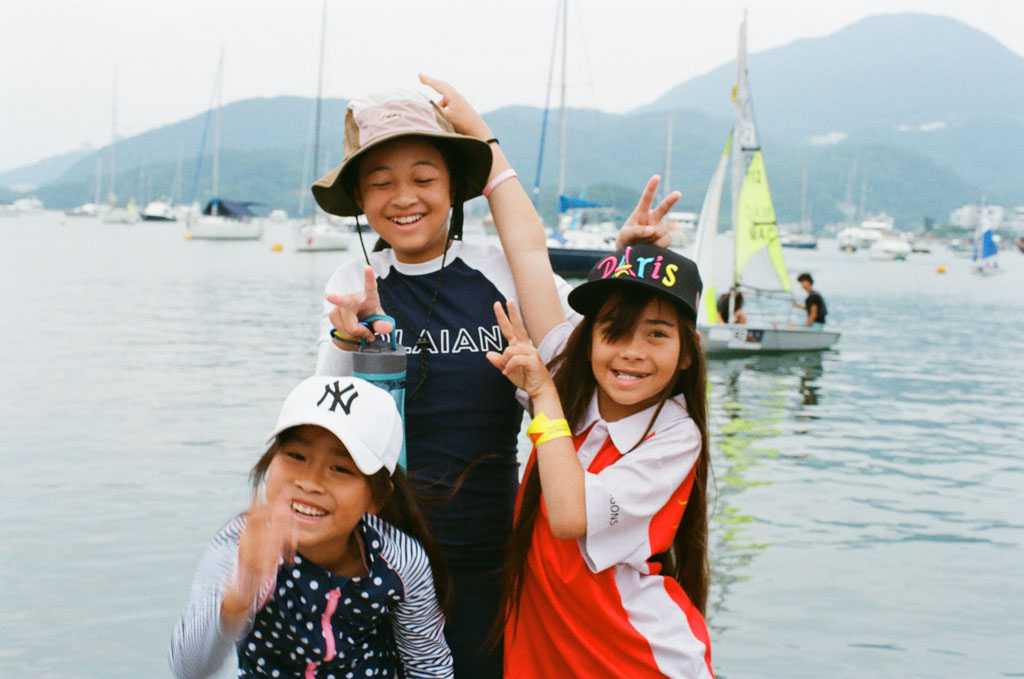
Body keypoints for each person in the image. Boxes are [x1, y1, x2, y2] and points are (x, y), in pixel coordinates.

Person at [309, 76, 679, 677]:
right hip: (375, 552)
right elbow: (324, 421)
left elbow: (585, 354)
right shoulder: (355, 281)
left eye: (423, 179)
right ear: (359, 199)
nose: (404, 198)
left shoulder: (498, 273)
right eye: (380, 183)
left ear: (455, 186)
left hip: (488, 552)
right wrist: (344, 341)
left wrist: (629, 266)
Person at [486, 244, 714, 678]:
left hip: (638, 658)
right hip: (545, 654)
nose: (632, 351)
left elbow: (570, 517)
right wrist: (630, 251)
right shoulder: (570, 390)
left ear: (688, 351)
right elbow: (529, 254)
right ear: (587, 339)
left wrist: (543, 395)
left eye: (657, 334)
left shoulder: (675, 436)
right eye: (613, 330)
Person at [170, 375, 453, 679]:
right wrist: (243, 589)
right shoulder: (242, 545)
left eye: (340, 469)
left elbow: (428, 665)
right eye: (296, 456)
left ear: (377, 498)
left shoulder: (399, 559)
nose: (310, 482)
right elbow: (188, 668)